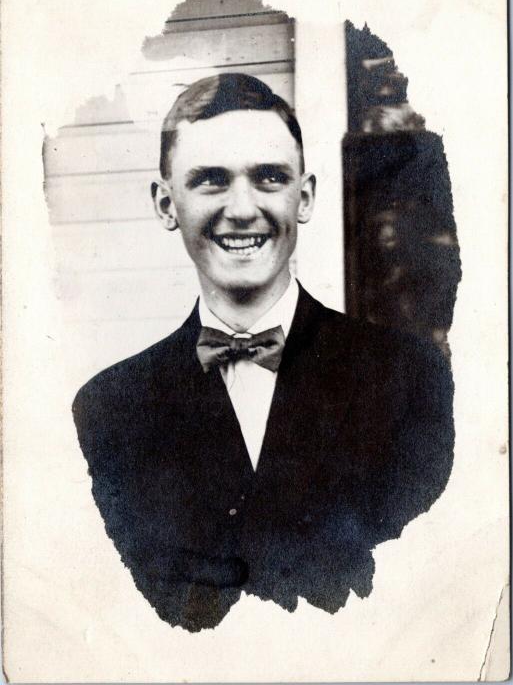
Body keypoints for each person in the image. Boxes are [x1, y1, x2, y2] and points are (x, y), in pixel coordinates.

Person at [72, 73, 454, 632]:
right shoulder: (106, 411)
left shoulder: (408, 379)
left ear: (304, 197)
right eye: (210, 181)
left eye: (269, 178)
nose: (243, 209)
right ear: (165, 203)